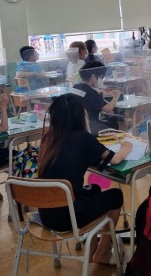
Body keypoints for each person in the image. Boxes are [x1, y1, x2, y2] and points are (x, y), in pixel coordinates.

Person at [38, 94, 132, 265]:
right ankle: (102, 253)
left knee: (94, 189)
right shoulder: (82, 138)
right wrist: (127, 146)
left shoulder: (49, 138)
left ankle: (92, 248)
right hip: (69, 217)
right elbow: (115, 160)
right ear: (80, 115)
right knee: (116, 196)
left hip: (47, 214)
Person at [74, 61, 121, 135]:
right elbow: (108, 109)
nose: (101, 80)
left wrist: (99, 90)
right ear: (93, 77)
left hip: (78, 124)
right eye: (101, 77)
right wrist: (116, 96)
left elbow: (89, 98)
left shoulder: (76, 87)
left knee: (110, 119)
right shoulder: (91, 92)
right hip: (91, 126)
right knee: (115, 123)